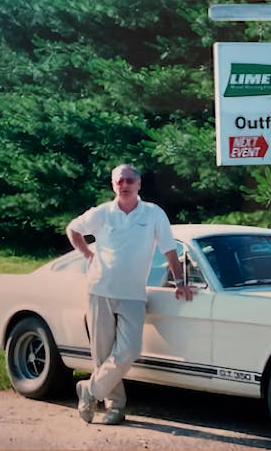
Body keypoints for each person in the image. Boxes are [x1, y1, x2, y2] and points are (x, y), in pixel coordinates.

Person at [66, 163, 193, 425]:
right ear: (113, 185)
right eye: (119, 181)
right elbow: (73, 229)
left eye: (129, 181)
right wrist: (88, 254)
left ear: (138, 184)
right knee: (102, 353)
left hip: (134, 293)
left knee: (129, 350)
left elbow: (170, 249)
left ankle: (89, 389)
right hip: (99, 289)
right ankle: (114, 407)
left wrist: (180, 281)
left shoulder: (153, 213)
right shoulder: (102, 213)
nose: (124, 185)